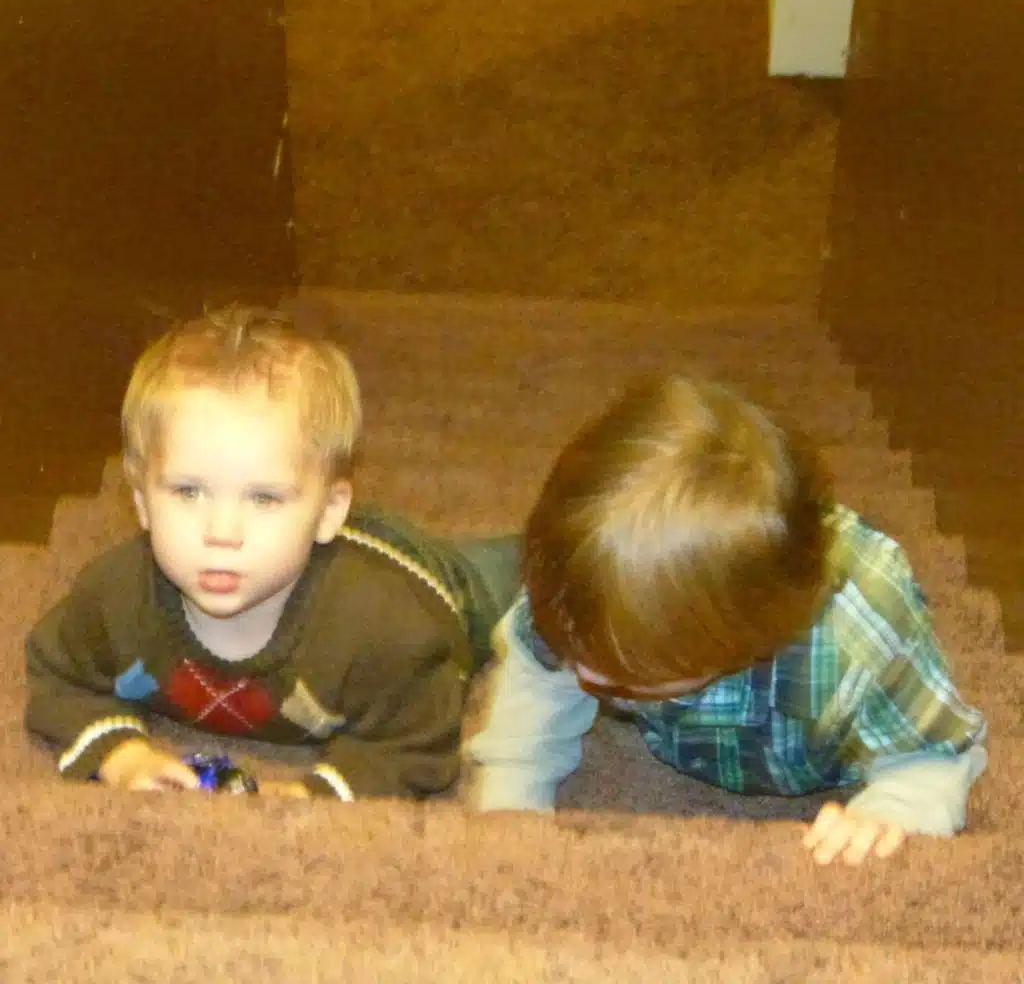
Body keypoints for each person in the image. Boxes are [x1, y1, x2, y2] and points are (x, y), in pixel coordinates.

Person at [466, 374, 988, 866]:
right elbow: (538, 673)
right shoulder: (585, 594)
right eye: (576, 648)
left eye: (626, 673)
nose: (586, 674)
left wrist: (892, 812)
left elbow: (935, 756)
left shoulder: (859, 640)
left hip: (815, 747)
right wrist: (514, 792)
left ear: (746, 646)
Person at [25, 305, 519, 800]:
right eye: (188, 492)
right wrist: (123, 756)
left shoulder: (386, 632)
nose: (221, 532)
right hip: (319, 547)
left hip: (442, 585)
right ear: (140, 501)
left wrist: (318, 794)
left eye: (263, 498)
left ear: (329, 511)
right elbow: (61, 675)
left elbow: (417, 740)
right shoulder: (113, 596)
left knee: (542, 566)